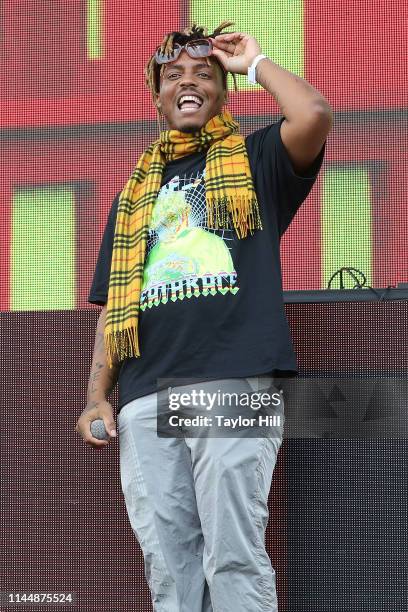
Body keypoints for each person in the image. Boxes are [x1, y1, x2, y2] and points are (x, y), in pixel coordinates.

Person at [75, 20, 332, 612]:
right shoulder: (134, 191)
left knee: (233, 552)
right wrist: (98, 396)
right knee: (168, 562)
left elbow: (313, 114)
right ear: (158, 95)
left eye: (203, 74)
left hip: (230, 378)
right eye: (173, 76)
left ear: (222, 90)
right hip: (143, 392)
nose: (187, 83)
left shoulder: (257, 156)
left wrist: (255, 61)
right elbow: (118, 304)